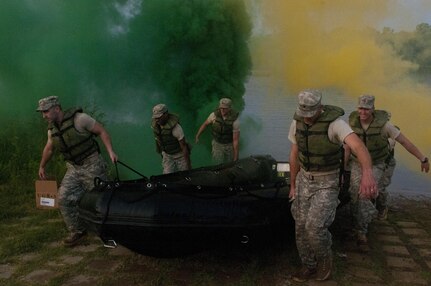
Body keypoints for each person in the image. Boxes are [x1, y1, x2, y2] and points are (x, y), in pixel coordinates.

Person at [288, 89, 376, 282]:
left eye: (311, 114)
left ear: (320, 108)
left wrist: (367, 174)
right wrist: (293, 185)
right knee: (301, 227)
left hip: (327, 182)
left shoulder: (336, 124)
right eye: (305, 114)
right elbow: (294, 154)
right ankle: (308, 265)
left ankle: (325, 259)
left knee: (315, 227)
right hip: (305, 180)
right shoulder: (297, 122)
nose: (307, 118)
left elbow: (358, 147)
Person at [345, 94, 429, 248]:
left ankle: (361, 231)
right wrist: (344, 165)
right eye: (361, 108)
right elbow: (347, 147)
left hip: (377, 163)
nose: (363, 112)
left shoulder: (385, 126)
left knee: (366, 194)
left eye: (367, 109)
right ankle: (356, 223)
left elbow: (405, 142)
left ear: (373, 109)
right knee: (353, 193)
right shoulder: (351, 124)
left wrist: (423, 158)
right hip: (357, 164)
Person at [37, 96, 118, 247]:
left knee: (102, 200)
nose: (44, 116)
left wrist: (111, 152)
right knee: (63, 198)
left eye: (46, 111)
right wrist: (42, 166)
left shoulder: (80, 119)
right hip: (73, 168)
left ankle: (111, 234)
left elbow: (102, 131)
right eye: (42, 112)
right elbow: (49, 149)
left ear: (56, 108)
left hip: (92, 164)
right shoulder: (52, 130)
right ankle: (78, 231)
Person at [195, 98, 240, 164]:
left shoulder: (235, 121)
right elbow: (205, 124)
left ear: (230, 108)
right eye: (221, 108)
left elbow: (236, 140)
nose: (222, 110)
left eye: (225, 108)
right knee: (216, 164)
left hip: (229, 145)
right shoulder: (214, 115)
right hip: (217, 144)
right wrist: (197, 136)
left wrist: (236, 157)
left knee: (229, 165)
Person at [151, 103, 191, 174]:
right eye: (155, 118)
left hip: (180, 155)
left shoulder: (176, 128)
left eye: (159, 117)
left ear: (166, 114)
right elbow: (159, 142)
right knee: (167, 176)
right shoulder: (156, 126)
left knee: (185, 175)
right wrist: (163, 156)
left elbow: (184, 146)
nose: (156, 120)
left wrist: (188, 166)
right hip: (167, 155)